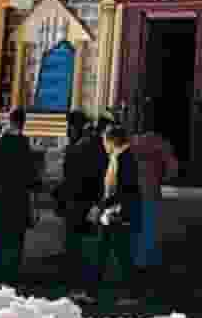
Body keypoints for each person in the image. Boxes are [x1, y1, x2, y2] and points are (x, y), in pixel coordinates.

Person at [0, 108, 35, 288]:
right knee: (16, 239)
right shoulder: (25, 144)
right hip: (20, 198)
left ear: (8, 120)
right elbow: (31, 176)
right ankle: (11, 275)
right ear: (23, 123)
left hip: (0, 197)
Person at [93, 124, 142, 298]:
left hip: (119, 213)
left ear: (112, 141)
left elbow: (123, 190)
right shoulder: (118, 156)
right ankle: (92, 291)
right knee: (103, 252)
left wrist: (102, 205)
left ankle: (133, 293)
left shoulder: (124, 158)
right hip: (112, 212)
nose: (103, 145)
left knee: (121, 255)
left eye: (104, 141)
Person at [59, 113, 107, 290]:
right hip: (87, 201)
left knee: (77, 245)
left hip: (78, 201)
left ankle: (78, 284)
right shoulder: (94, 145)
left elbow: (70, 177)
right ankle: (84, 284)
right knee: (86, 245)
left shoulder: (79, 147)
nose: (67, 132)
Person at [131, 121, 177, 270]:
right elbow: (172, 169)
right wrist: (162, 176)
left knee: (135, 225)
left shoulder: (132, 142)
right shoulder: (161, 144)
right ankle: (148, 260)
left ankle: (135, 259)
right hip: (151, 189)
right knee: (150, 226)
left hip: (133, 189)